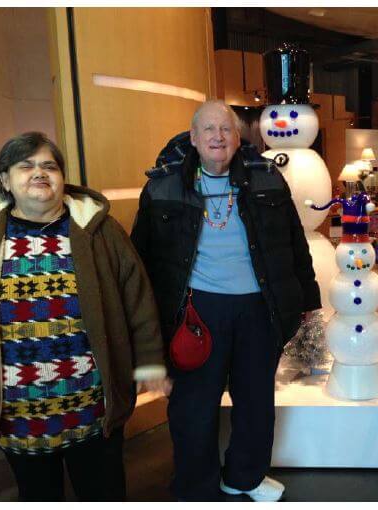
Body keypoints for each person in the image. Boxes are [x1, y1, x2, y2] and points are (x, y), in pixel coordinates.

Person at [130, 99, 321, 502]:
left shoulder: (267, 178)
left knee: (256, 402)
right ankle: (195, 487)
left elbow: (293, 242)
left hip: (259, 307)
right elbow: (142, 256)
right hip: (197, 310)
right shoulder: (162, 185)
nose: (218, 137)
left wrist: (307, 298)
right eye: (209, 130)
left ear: (238, 138)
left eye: (227, 129)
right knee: (193, 407)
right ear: (194, 138)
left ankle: (244, 477)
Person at [0, 132, 171, 501]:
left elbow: (138, 297)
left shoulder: (99, 229)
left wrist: (149, 361)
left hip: (92, 408)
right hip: (18, 413)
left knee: (103, 494)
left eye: (49, 166)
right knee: (38, 496)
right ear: (4, 180)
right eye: (26, 166)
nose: (39, 173)